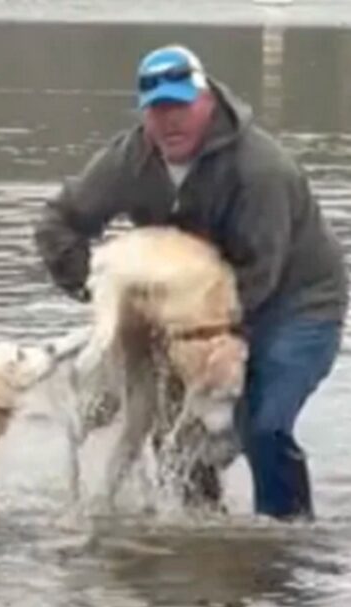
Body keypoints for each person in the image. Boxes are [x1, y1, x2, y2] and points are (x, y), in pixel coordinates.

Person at [33, 44, 348, 521]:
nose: (169, 122)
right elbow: (59, 222)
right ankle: (198, 531)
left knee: (262, 424)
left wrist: (186, 331)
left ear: (207, 101)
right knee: (173, 426)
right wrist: (101, 295)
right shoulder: (131, 160)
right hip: (186, 306)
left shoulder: (260, 170)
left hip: (295, 303)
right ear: (144, 115)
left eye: (180, 105)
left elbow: (260, 275)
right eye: (157, 110)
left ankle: (288, 536)